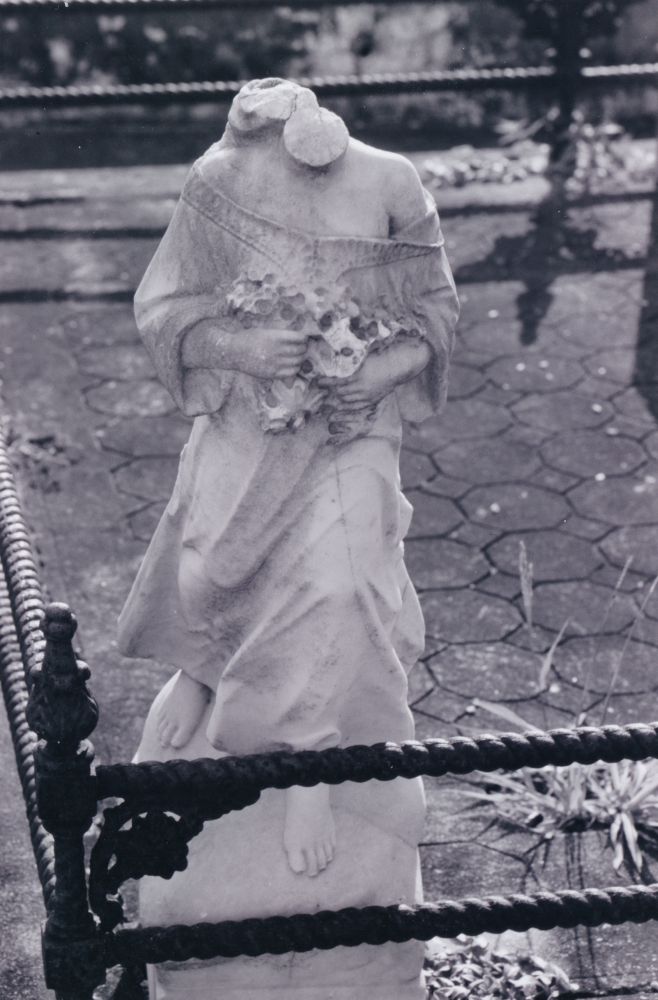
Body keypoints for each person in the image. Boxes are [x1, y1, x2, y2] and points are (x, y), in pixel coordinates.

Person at [118, 78, 458, 996]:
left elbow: (434, 316)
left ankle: (309, 759)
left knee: (342, 586)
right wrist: (236, 349)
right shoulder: (216, 180)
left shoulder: (391, 181)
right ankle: (206, 670)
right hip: (250, 421)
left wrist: (376, 372)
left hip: (349, 430)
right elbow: (165, 308)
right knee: (214, 569)